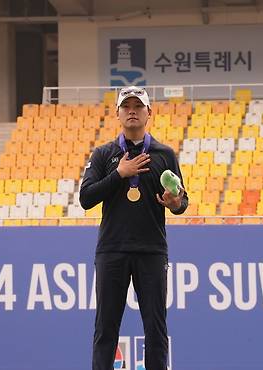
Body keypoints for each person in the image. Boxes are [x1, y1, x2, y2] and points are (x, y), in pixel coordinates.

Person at [80, 86, 188, 370]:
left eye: (138, 106)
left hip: (151, 251)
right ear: (117, 114)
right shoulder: (104, 154)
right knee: (106, 328)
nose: (131, 111)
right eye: (126, 106)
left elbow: (182, 201)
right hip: (112, 250)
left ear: (148, 113)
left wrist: (174, 203)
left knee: (155, 328)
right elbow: (86, 198)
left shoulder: (164, 154)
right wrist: (119, 174)